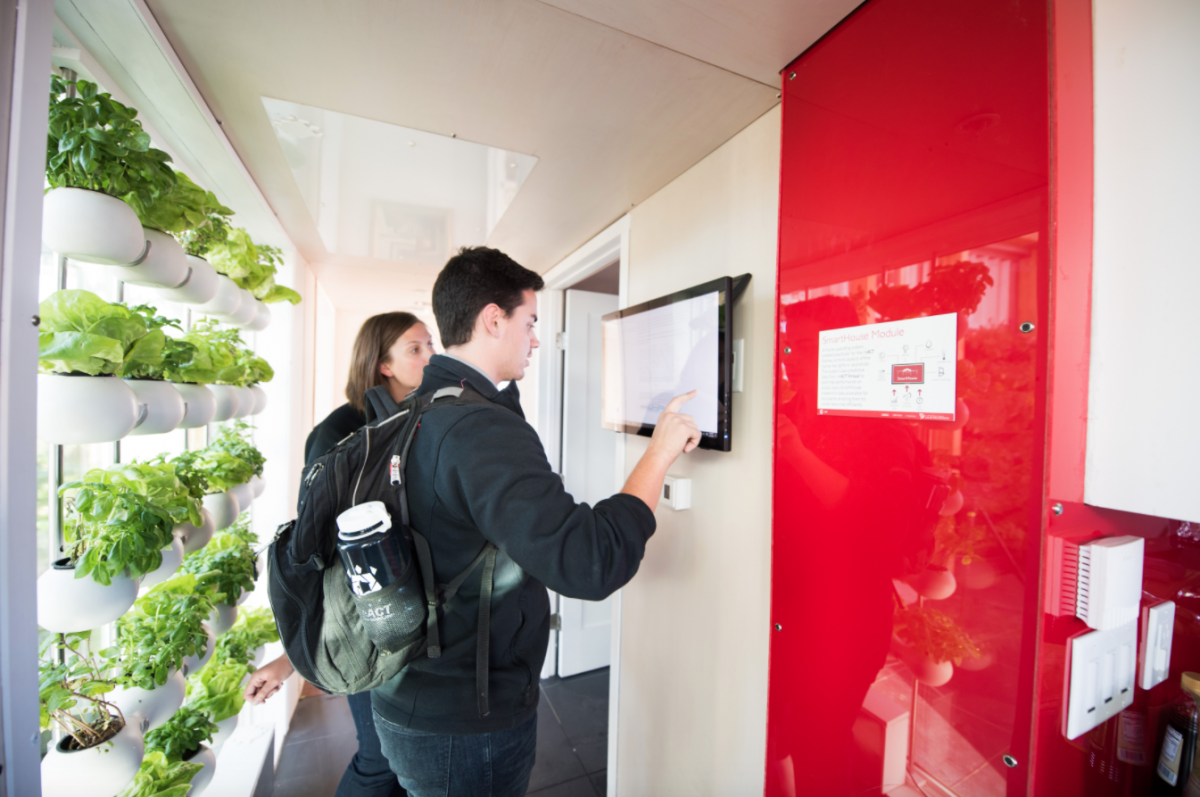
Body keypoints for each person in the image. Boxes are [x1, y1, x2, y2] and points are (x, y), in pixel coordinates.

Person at [369, 246, 701, 797]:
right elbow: (589, 562)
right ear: (493, 319)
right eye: (530, 321)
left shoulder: (419, 406)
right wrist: (659, 453)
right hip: (462, 726)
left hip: (411, 695)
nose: (537, 338)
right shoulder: (478, 428)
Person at [244, 311, 436, 797]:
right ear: (382, 364)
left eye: (429, 344)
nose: (430, 355)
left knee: (405, 757)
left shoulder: (418, 420)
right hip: (361, 626)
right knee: (379, 762)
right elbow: (316, 556)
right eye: (416, 348)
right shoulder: (339, 436)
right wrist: (294, 657)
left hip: (410, 619)